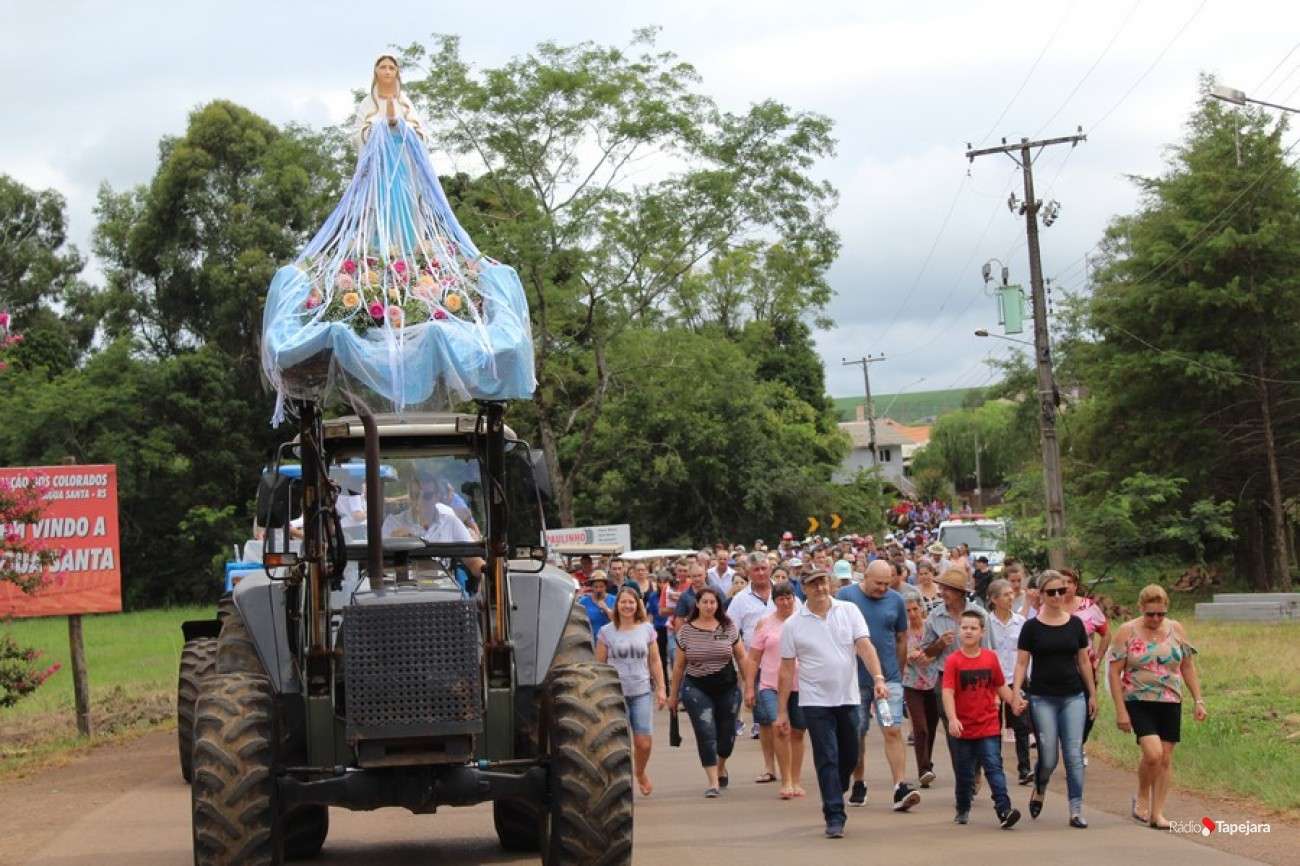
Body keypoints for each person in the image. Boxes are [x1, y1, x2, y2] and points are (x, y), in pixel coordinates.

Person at [775, 569, 890, 839]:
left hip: (848, 697)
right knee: (827, 755)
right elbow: (786, 668)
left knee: (850, 754)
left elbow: (864, 646)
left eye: (823, 582)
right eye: (813, 584)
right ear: (803, 588)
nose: (820, 588)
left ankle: (835, 790)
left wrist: (878, 678)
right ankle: (834, 814)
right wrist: (782, 710)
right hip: (815, 701)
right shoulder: (793, 624)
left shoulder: (848, 611)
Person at [1107, 584, 1206, 830]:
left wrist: (1198, 700)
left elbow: (1187, 666)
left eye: (1160, 614)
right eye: (1150, 613)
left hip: (1170, 700)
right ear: (1141, 608)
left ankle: (1157, 812)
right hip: (1138, 699)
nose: (1155, 619)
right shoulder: (1126, 631)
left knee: (1165, 758)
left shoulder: (1176, 630)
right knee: (1153, 754)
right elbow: (1114, 671)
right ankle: (1142, 793)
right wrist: (1120, 710)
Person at [1014, 570, 1097, 828]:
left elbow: (1083, 660)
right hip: (1042, 698)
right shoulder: (1031, 627)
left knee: (1073, 754)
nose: (1058, 596)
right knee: (1048, 756)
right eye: (1051, 592)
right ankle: (1040, 786)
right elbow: (1021, 662)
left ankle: (1075, 809)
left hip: (1073, 696)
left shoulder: (1075, 624)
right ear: (1041, 595)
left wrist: (1092, 693)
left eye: (1062, 590)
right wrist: (1017, 690)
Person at [836, 560, 920, 813]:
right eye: (878, 584)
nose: (883, 589)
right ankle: (858, 781)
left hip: (888, 679)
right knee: (857, 733)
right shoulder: (846, 596)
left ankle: (899, 787)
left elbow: (901, 637)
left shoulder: (896, 600)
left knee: (893, 729)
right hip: (855, 680)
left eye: (887, 583)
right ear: (866, 578)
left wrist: (898, 670)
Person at [668, 588, 754, 797]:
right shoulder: (686, 631)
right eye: (705, 602)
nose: (709, 606)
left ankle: (721, 764)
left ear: (718, 605)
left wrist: (750, 686)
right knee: (706, 733)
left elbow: (742, 658)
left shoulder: (728, 627)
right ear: (697, 604)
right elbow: (679, 666)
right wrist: (673, 695)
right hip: (696, 687)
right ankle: (713, 781)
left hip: (727, 686)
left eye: (713, 602)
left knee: (726, 737)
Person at [942, 609, 1023, 829]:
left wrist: (1014, 701)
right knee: (965, 773)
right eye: (964, 627)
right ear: (959, 631)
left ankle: (1004, 809)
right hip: (963, 728)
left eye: (973, 628)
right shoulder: (953, 661)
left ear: (982, 632)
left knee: (994, 767)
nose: (968, 631)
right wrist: (952, 719)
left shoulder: (990, 658)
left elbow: (999, 685)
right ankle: (962, 807)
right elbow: (947, 692)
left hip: (988, 725)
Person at [597, 586, 667, 797]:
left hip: (641, 691)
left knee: (643, 742)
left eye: (631, 602)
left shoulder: (646, 629)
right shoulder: (606, 632)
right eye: (623, 602)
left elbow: (655, 660)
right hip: (615, 694)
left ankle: (640, 772)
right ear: (616, 605)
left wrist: (662, 688)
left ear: (637, 605)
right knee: (618, 744)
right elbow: (598, 665)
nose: (627, 606)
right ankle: (618, 784)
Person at [921, 568, 988, 790]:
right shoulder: (935, 616)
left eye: (947, 588)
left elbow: (990, 650)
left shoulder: (979, 614)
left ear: (960, 592)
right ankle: (964, 777)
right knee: (953, 726)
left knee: (976, 725)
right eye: (941, 587)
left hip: (976, 678)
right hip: (946, 677)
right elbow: (926, 654)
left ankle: (975, 768)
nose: (942, 592)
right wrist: (939, 644)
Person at [747, 582, 807, 800]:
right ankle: (786, 780)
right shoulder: (765, 624)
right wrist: (748, 687)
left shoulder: (804, 620)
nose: (786, 602)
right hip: (770, 685)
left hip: (800, 684)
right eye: (781, 599)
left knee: (798, 731)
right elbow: (753, 658)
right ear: (775, 602)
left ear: (794, 598)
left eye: (789, 597)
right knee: (779, 727)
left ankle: (797, 779)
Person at [986, 578, 1032, 785]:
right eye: (1005, 595)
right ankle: (995, 767)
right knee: (994, 724)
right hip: (994, 679)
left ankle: (1025, 768)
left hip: (1016, 678)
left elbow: (1025, 653)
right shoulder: (986, 623)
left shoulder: (1020, 622)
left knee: (1021, 724)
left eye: (1011, 594)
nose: (1010, 597)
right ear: (994, 599)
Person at [1061, 568, 1109, 763]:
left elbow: (1105, 632)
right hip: (1060, 667)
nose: (1065, 587)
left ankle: (1078, 744)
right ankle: (1069, 745)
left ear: (1075, 585)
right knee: (1064, 708)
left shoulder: (1089, 607)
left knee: (1089, 707)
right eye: (1061, 582)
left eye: (1069, 582)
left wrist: (1098, 657)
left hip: (1086, 666)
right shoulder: (1051, 606)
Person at [901, 593, 940, 788]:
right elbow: (897, 652)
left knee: (932, 726)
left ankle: (927, 762)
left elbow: (940, 648)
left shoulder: (930, 627)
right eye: (908, 611)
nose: (912, 614)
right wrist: (907, 655)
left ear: (922, 609)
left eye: (915, 609)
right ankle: (923, 768)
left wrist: (928, 655)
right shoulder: (902, 631)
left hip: (933, 681)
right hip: (911, 682)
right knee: (920, 727)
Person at [579, 572, 616, 637]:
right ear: (591, 587)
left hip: (610, 639)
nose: (598, 589)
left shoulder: (614, 600)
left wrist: (606, 609)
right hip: (591, 639)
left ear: (606, 587)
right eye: (595, 587)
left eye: (601, 586)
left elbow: (618, 621)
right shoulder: (583, 602)